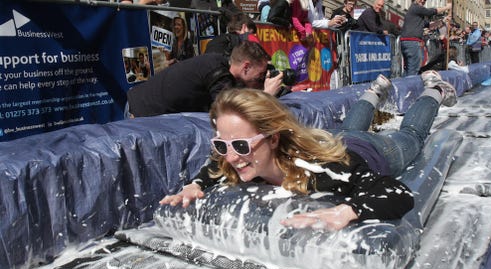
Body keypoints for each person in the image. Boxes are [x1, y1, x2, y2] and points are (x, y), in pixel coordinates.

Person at [159, 70, 457, 231]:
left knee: (412, 135)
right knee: (349, 129)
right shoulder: (233, 159)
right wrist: (195, 185)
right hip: (335, 140)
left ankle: (434, 90)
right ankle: (374, 92)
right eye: (222, 145)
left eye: (240, 145)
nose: (232, 157)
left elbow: (397, 193)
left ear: (273, 138)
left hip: (375, 150)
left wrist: (348, 210)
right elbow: (214, 166)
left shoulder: (326, 173)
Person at [127, 41, 283, 118]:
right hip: (141, 115)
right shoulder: (217, 72)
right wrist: (266, 96)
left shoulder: (218, 63)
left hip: (140, 106)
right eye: (261, 74)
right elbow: (227, 115)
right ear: (246, 67)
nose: (261, 78)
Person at [400, 0, 451, 76]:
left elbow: (429, 25)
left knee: (409, 68)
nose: (423, 1)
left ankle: (405, 85)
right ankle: (411, 86)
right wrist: (446, 7)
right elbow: (430, 11)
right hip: (412, 42)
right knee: (414, 68)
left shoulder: (416, 15)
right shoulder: (416, 7)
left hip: (409, 42)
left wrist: (443, 21)